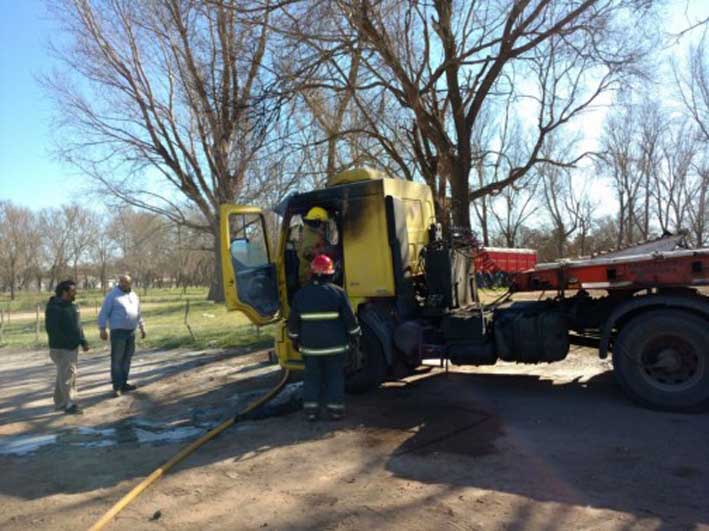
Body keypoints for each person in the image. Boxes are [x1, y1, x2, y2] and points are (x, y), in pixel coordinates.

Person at [287, 254, 361, 421]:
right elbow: (350, 319)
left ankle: (311, 412)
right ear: (330, 274)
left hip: (310, 348)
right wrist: (356, 336)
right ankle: (335, 411)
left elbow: (293, 323)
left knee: (312, 376)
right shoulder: (338, 293)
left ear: (312, 273)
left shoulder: (301, 295)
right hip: (335, 348)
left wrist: (294, 340)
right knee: (335, 376)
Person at [45, 280, 89, 415]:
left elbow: (78, 326)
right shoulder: (54, 308)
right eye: (73, 290)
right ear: (65, 292)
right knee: (68, 376)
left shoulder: (73, 306)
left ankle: (59, 403)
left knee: (63, 375)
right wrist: (69, 343)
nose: (75, 292)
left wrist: (83, 341)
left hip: (72, 346)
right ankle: (70, 404)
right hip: (61, 348)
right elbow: (53, 330)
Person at [98, 274, 146, 397]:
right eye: (122, 282)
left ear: (130, 283)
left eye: (126, 282)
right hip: (118, 332)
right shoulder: (112, 296)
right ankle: (117, 387)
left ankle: (124, 383)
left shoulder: (134, 295)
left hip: (131, 332)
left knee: (127, 359)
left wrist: (142, 327)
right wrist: (102, 329)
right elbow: (104, 312)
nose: (124, 284)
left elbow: (138, 312)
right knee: (117, 360)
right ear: (119, 282)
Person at [297, 206, 330, 286]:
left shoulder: (313, 233)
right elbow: (306, 253)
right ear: (316, 222)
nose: (323, 226)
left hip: (314, 273)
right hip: (309, 276)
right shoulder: (309, 235)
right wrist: (323, 251)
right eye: (322, 223)